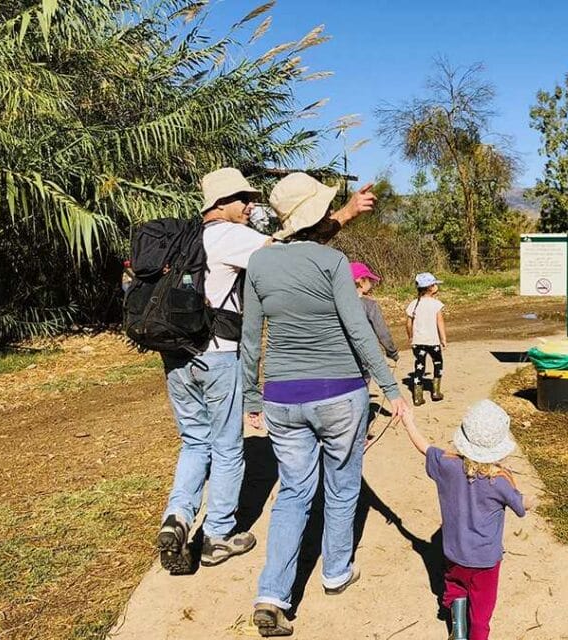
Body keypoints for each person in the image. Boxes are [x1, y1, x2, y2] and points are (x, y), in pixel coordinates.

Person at [156, 168, 373, 576]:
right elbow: (295, 250)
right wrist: (344, 215)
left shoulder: (184, 239)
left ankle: (178, 515)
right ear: (220, 204)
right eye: (243, 199)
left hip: (175, 357)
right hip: (217, 354)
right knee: (225, 446)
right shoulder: (234, 237)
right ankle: (218, 534)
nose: (250, 205)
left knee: (193, 441)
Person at [241, 173, 409, 637]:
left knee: (293, 492)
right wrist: (390, 388)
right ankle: (335, 571)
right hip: (340, 393)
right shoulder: (333, 262)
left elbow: (251, 338)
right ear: (318, 214)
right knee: (341, 483)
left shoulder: (259, 264)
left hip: (281, 398)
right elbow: (358, 330)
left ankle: (272, 593)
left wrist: (252, 396)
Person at [400, 400, 527, 640]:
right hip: (485, 561)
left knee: (456, 586)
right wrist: (530, 501)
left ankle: (457, 630)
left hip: (454, 552)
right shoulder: (499, 481)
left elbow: (424, 447)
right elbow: (521, 507)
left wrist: (409, 422)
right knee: (481, 615)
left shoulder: (448, 465)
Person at [406, 272, 447, 406]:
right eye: (435, 284)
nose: (436, 286)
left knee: (419, 366)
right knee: (438, 363)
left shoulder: (414, 304)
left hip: (418, 342)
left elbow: (408, 323)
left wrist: (411, 336)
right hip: (433, 342)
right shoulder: (436, 304)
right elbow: (440, 322)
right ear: (430, 288)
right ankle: (435, 392)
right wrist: (443, 339)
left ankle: (417, 396)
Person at [352, 262, 399, 364]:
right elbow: (382, 332)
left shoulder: (336, 304)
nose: (371, 283)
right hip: (364, 354)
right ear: (361, 281)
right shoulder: (370, 305)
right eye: (369, 280)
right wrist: (392, 352)